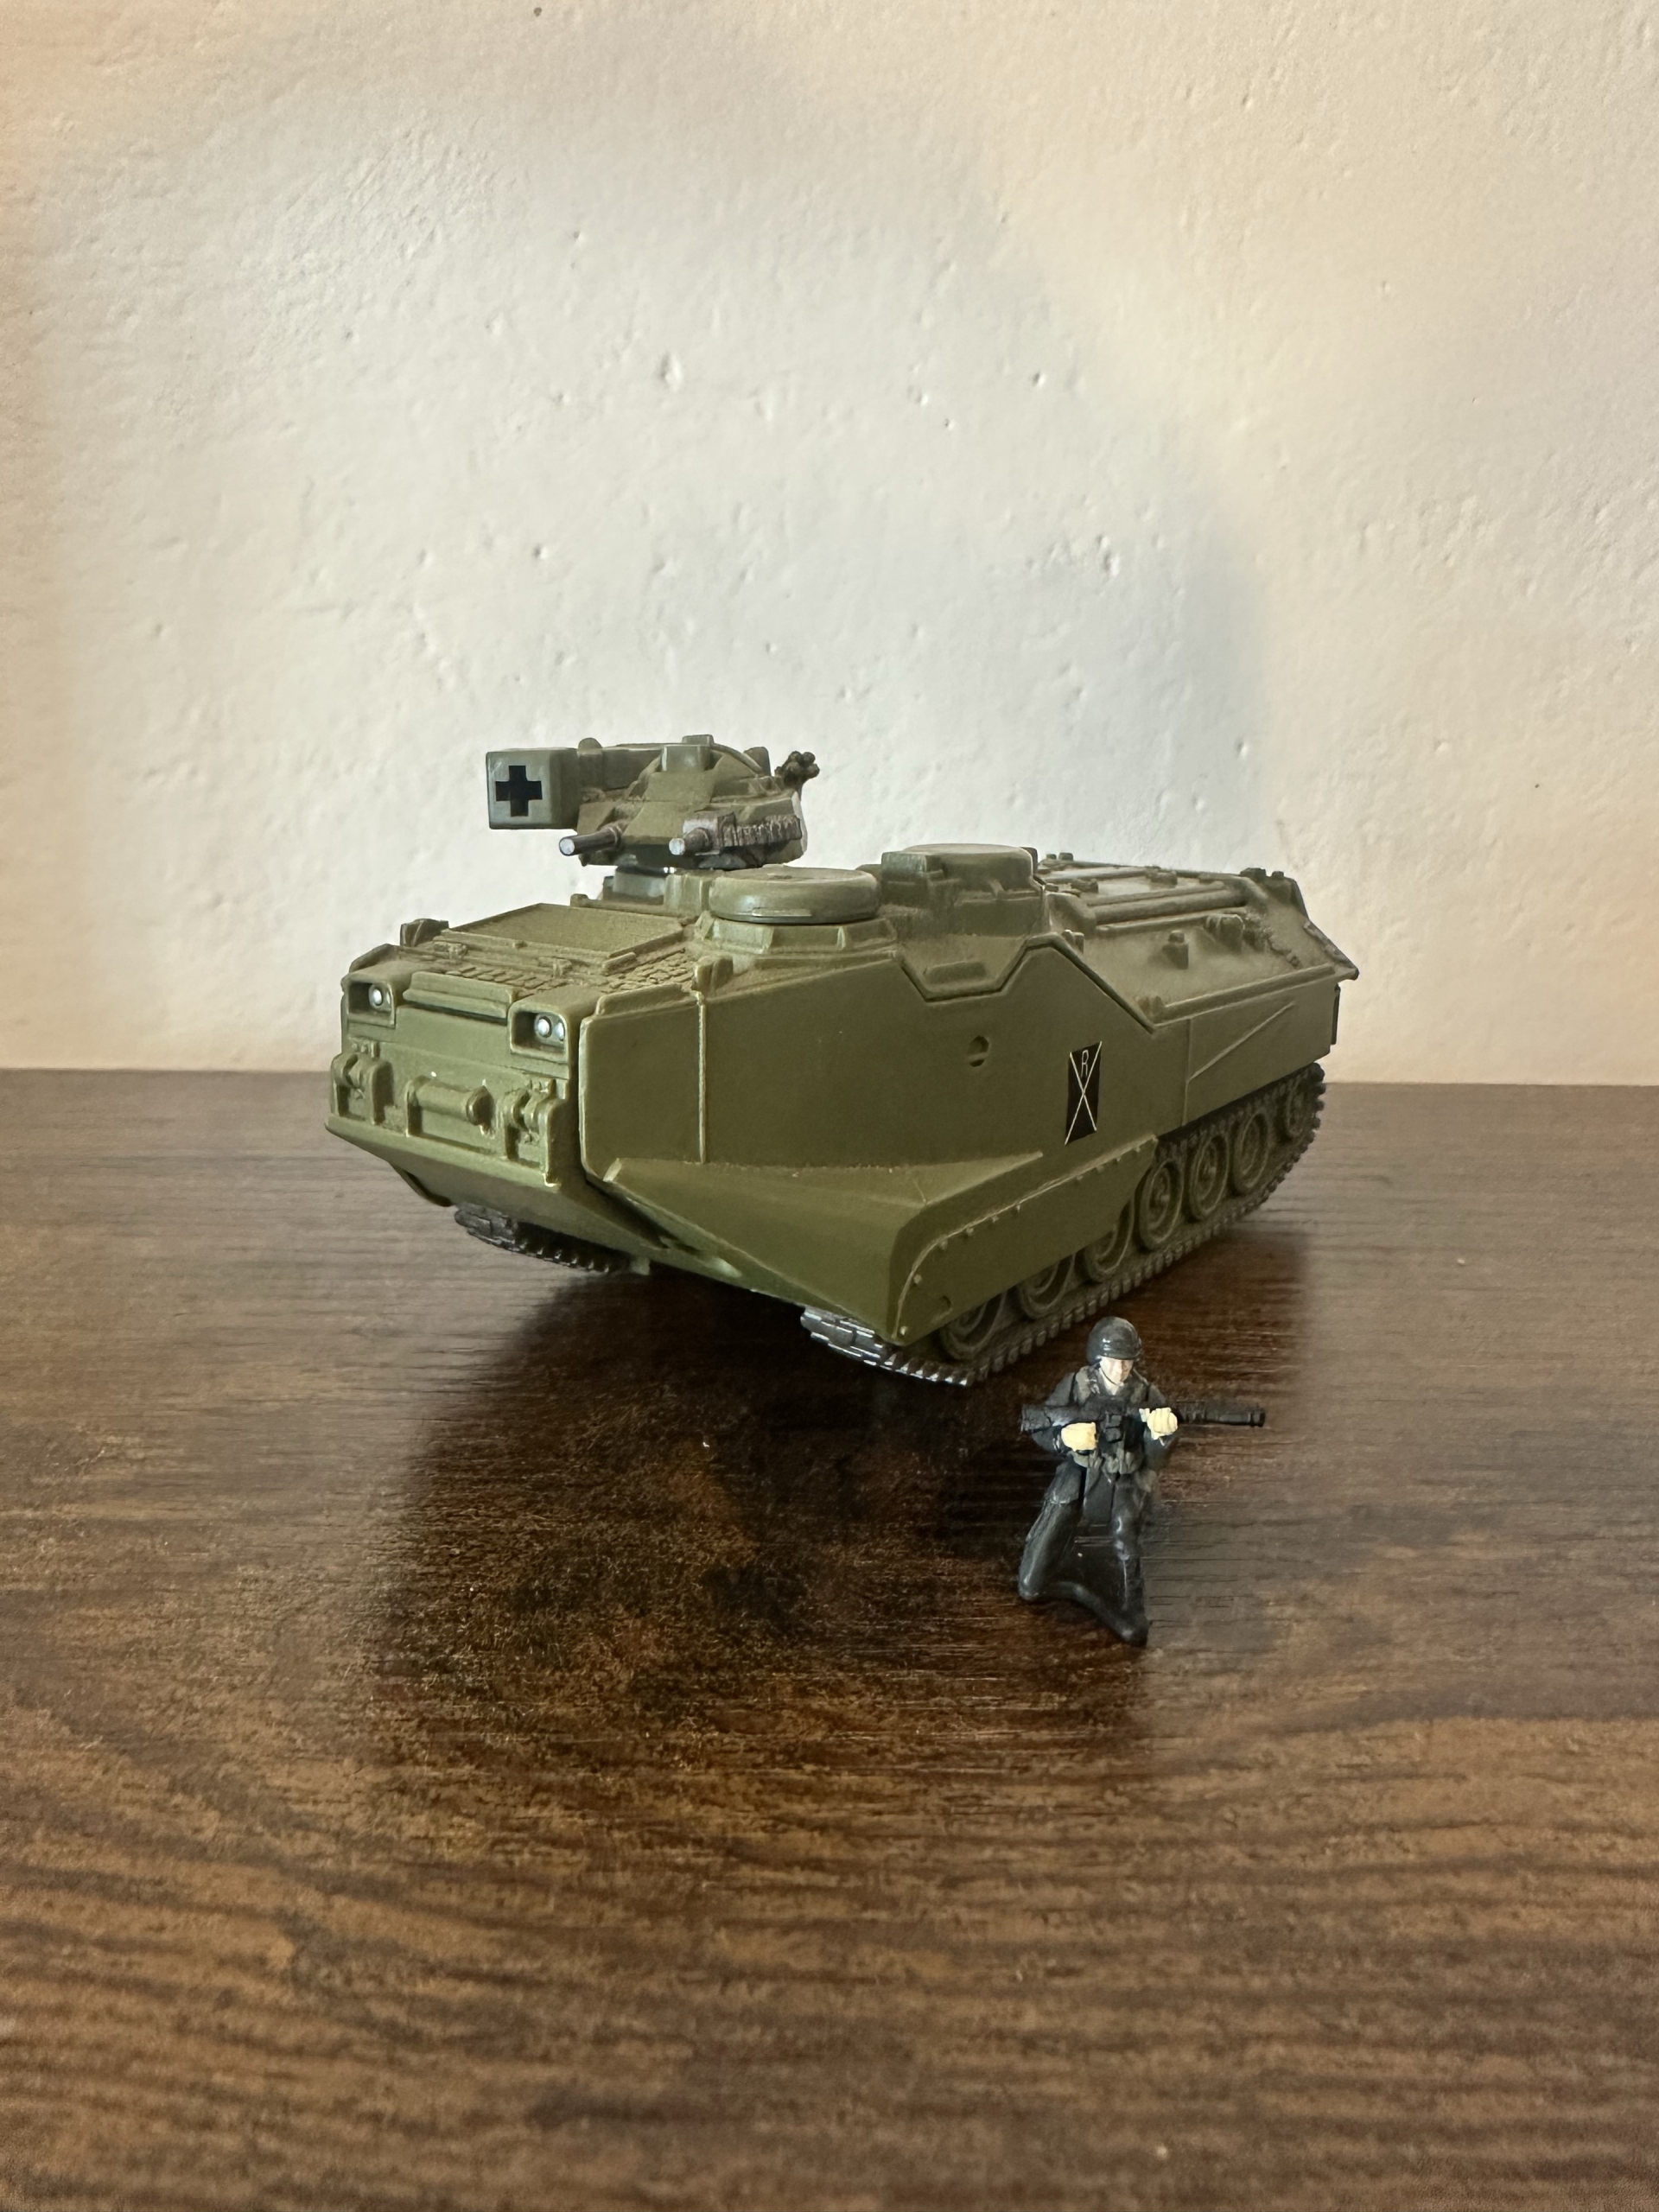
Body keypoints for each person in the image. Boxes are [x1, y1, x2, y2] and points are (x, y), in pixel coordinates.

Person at [1017, 1315, 1179, 1644]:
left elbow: (1156, 1458)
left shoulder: (1146, 1393)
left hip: (1125, 1476)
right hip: (1079, 1470)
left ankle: (1129, 1602)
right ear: (1098, 1357)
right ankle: (1049, 1571)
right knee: (1032, 1581)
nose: (1121, 1369)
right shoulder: (1077, 1385)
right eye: (1113, 1360)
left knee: (1125, 1528)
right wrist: (1065, 1437)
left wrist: (1160, 1435)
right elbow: (1042, 1425)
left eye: (1127, 1361)